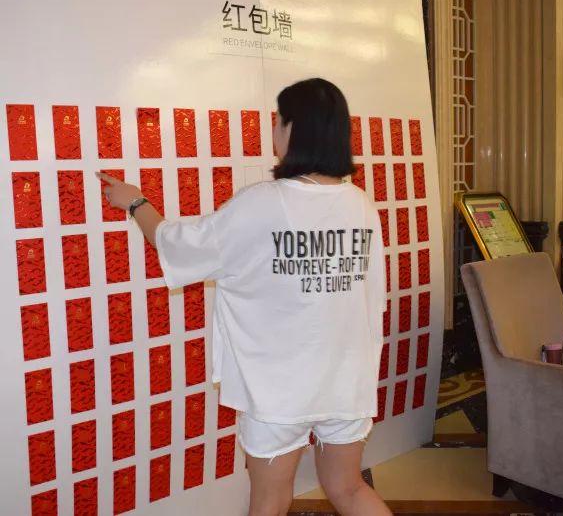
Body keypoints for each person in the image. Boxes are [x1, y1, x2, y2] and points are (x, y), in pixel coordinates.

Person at [98, 78, 392, 516]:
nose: (274, 129)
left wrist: (136, 202)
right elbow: (371, 296)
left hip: (277, 390)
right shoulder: (360, 203)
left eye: (278, 120)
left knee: (270, 500)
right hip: (346, 379)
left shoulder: (262, 202)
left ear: (293, 129)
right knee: (349, 489)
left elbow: (178, 243)